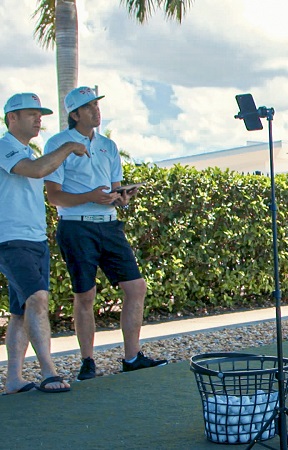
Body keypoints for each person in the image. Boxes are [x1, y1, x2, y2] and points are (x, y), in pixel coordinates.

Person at [43, 87, 167, 381]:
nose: (96, 111)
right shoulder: (58, 144)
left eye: (97, 105)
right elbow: (54, 197)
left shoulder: (108, 146)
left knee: (136, 288)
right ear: (75, 115)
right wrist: (91, 197)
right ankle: (88, 362)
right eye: (89, 107)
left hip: (109, 225)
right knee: (85, 295)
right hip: (76, 227)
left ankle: (132, 357)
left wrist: (121, 197)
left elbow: (112, 189)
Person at [1, 93, 90, 394]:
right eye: (31, 114)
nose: (39, 119)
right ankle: (49, 372)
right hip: (10, 240)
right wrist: (68, 146)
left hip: (34, 240)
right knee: (38, 299)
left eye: (40, 114)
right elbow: (37, 170)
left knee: (20, 310)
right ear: (11, 118)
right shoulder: (4, 147)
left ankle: (13, 379)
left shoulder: (27, 151)